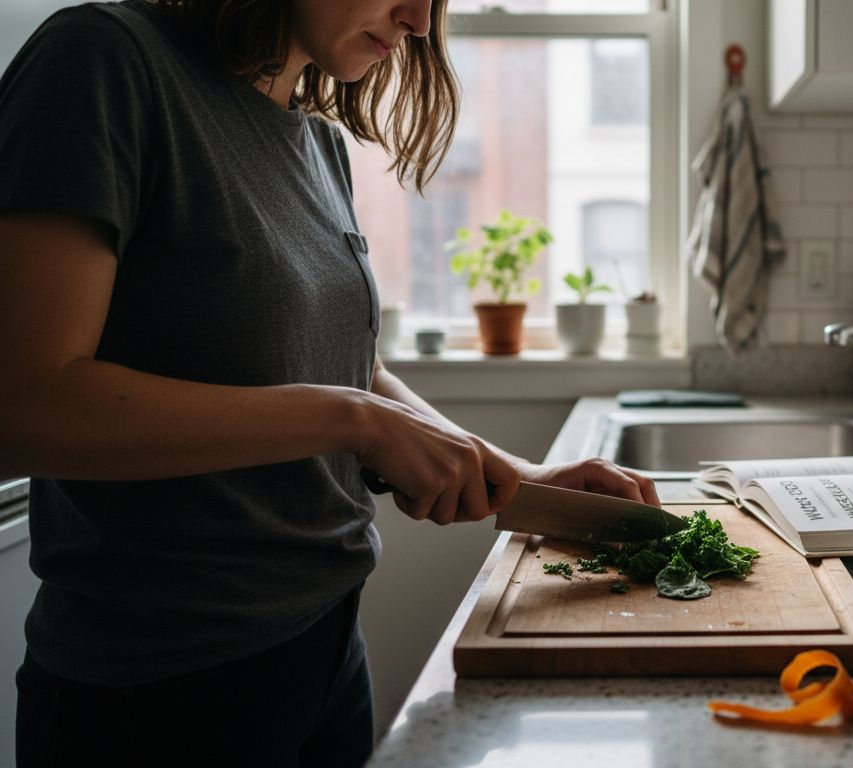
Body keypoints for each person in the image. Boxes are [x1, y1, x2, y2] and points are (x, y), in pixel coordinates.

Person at [0, 1, 658, 765]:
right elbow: (24, 405)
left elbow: (345, 364)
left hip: (327, 652)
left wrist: (519, 476)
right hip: (155, 697)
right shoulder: (104, 60)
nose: (418, 20)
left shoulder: (316, 140)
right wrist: (349, 420)